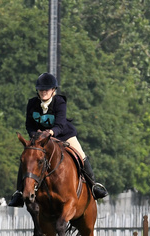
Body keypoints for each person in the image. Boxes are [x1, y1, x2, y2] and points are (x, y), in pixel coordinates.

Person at [8, 73, 108, 207]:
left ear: (53, 90)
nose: (43, 92)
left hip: (63, 134)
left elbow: (60, 124)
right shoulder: (32, 103)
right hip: (40, 139)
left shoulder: (59, 102)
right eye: (41, 89)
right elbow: (29, 125)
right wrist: (35, 135)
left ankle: (94, 186)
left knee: (80, 154)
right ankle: (19, 193)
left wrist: (50, 132)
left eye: (46, 89)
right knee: (28, 158)